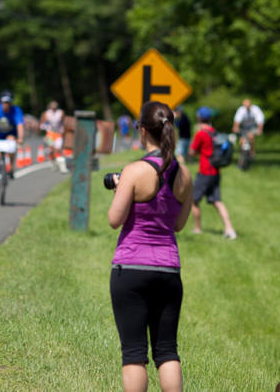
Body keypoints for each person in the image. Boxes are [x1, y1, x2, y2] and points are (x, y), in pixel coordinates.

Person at [107, 101, 193, 392]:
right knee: (167, 350)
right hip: (168, 269)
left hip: (131, 267)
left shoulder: (134, 171)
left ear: (142, 131)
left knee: (134, 353)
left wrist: (121, 188)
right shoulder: (184, 175)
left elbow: (114, 219)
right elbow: (179, 224)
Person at [189, 106, 237, 239]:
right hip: (216, 171)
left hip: (205, 171)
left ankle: (197, 229)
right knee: (217, 201)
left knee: (193, 200)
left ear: (199, 117)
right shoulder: (214, 132)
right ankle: (229, 229)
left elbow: (192, 152)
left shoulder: (201, 133)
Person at [0, 90, 24, 191]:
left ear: (11, 102)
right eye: (4, 102)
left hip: (10, 135)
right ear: (1, 102)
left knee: (12, 143)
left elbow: (20, 125)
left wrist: (20, 138)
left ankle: (11, 168)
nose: (6, 104)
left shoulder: (16, 110)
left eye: (8, 102)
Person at [232, 98, 264, 166]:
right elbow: (237, 120)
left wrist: (260, 129)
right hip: (244, 128)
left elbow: (260, 120)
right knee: (241, 141)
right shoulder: (241, 110)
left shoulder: (255, 109)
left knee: (251, 137)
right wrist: (235, 127)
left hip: (253, 127)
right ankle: (241, 154)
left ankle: (252, 152)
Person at [40, 100, 67, 173]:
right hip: (50, 134)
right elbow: (42, 124)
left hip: (58, 134)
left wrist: (63, 132)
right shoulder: (46, 113)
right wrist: (46, 128)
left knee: (58, 150)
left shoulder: (60, 112)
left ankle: (62, 167)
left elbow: (64, 122)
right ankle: (53, 162)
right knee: (51, 150)